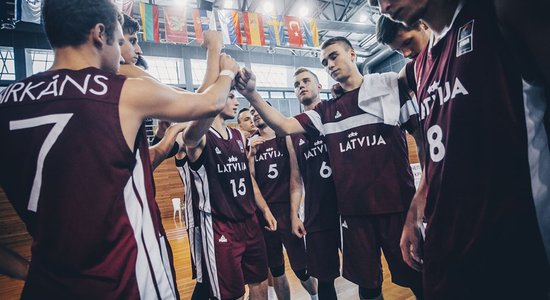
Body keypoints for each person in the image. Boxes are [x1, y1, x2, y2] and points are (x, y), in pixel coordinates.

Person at [0, 0, 239, 298]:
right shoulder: (118, 90)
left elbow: (110, 171)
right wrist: (224, 67)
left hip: (47, 286)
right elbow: (209, 102)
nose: (129, 51)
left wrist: (28, 271)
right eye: (122, 40)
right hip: (126, 281)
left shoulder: (8, 101)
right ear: (101, 34)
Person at [372, 0, 550, 298]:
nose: (383, 6)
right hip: (449, 251)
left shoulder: (502, 12)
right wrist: (417, 205)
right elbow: (442, 145)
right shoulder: (419, 67)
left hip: (514, 252)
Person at [236, 36, 423, 300]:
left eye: (334, 56)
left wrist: (424, 196)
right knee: (368, 290)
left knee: (421, 280)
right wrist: (252, 94)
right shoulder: (326, 111)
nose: (330, 64)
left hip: (398, 210)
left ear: (353, 54)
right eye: (325, 61)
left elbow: (422, 141)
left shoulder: (389, 86)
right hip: (354, 217)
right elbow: (285, 126)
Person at [248, 106, 318, 300]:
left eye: (257, 110)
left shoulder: (285, 135)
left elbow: (296, 176)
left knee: (301, 269)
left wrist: (295, 213)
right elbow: (250, 179)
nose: (254, 114)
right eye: (251, 112)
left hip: (287, 211)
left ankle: (315, 296)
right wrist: (251, 156)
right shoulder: (252, 142)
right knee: (277, 270)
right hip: (264, 214)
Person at [289, 67, 341, 300]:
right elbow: (295, 179)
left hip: (346, 206)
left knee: (366, 276)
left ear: (319, 87)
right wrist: (294, 215)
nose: (301, 85)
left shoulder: (333, 112)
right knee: (325, 279)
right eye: (296, 84)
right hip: (317, 212)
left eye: (306, 80)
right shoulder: (292, 132)